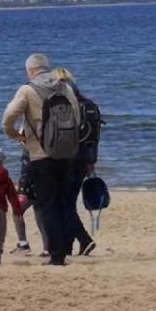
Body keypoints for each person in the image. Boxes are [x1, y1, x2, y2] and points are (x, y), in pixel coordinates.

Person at [1, 53, 80, 266]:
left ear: (30, 70)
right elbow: (77, 115)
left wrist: (15, 135)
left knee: (48, 203)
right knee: (64, 201)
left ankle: (56, 256)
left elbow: (9, 116)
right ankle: (64, 249)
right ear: (47, 67)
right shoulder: (65, 87)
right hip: (66, 152)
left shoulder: (27, 89)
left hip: (40, 153)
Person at [53, 67, 97, 256]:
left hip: (66, 159)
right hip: (84, 159)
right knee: (69, 203)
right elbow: (95, 137)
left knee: (63, 204)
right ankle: (68, 246)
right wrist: (92, 161)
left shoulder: (63, 105)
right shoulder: (89, 105)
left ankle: (84, 239)